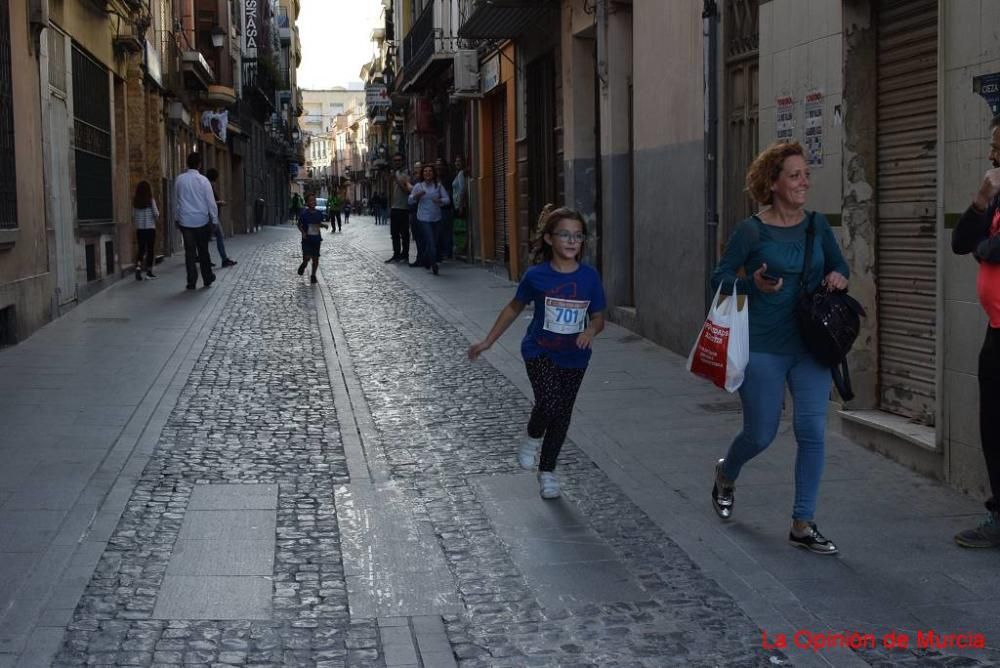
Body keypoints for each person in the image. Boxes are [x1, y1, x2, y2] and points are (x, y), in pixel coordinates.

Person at [708, 140, 849, 555]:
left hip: (811, 344)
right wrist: (752, 284)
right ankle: (726, 474)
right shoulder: (751, 230)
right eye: (795, 175)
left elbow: (839, 264)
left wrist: (840, 277)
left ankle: (802, 523)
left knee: (811, 432)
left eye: (806, 174)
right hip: (764, 344)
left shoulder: (816, 225)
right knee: (761, 433)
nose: (804, 181)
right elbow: (718, 277)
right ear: (773, 183)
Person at [468, 206, 606, 499]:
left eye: (578, 236)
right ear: (548, 239)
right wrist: (488, 341)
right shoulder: (536, 276)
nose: (572, 241)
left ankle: (547, 472)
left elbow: (598, 317)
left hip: (576, 356)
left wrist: (590, 331)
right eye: (564, 234)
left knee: (563, 414)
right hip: (539, 350)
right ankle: (532, 437)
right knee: (549, 402)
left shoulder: (590, 277)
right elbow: (513, 308)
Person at [951, 114, 1000, 548]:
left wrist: (986, 249)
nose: (991, 152)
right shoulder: (997, 197)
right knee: (993, 425)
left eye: (998, 143)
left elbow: (989, 248)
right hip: (996, 331)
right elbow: (962, 241)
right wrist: (982, 200)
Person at [174, 152, 218, 290]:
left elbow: (175, 201)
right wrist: (215, 219)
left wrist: (176, 218)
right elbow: (211, 202)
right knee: (203, 250)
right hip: (201, 220)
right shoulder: (204, 181)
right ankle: (207, 278)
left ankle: (191, 281)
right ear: (199, 164)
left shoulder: (179, 180)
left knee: (190, 252)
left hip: (185, 221)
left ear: (187, 163)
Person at [408, 164, 450, 275]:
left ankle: (427, 260)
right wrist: (417, 195)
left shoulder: (439, 186)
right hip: (423, 218)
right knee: (430, 240)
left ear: (433, 173)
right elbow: (410, 200)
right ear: (422, 174)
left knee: (434, 242)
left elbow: (447, 200)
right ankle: (433, 263)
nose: (428, 173)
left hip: (436, 218)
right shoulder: (419, 186)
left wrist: (440, 201)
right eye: (425, 171)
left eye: (430, 171)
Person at [205, 168, 236, 268]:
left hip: (208, 215)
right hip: (211, 216)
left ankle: (205, 259)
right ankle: (224, 259)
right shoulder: (209, 186)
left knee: (206, 238)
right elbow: (209, 202)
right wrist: (220, 203)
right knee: (219, 235)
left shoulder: (208, 185)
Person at [297, 193, 328, 284]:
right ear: (307, 202)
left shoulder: (319, 213)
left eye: (314, 200)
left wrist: (323, 225)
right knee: (307, 257)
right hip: (307, 239)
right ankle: (303, 265)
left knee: (315, 258)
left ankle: (313, 275)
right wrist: (303, 233)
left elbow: (318, 224)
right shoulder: (304, 213)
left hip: (317, 239)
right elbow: (299, 225)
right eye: (311, 200)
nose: (313, 202)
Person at [386, 154, 412, 263]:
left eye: (399, 160)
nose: (397, 162)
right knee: (394, 233)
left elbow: (407, 190)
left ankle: (405, 255)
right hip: (394, 207)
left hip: (404, 208)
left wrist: (396, 179)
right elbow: (391, 190)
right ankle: (396, 254)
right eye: (395, 160)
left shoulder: (406, 173)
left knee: (404, 233)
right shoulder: (394, 173)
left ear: (403, 161)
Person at [132, 180, 159, 281]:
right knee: (150, 250)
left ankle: (138, 268)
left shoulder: (136, 201)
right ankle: (149, 271)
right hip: (150, 229)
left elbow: (133, 215)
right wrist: (155, 218)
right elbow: (156, 214)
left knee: (141, 249)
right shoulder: (150, 200)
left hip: (140, 229)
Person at [435, 158, 454, 261]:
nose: (438, 167)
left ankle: (447, 252)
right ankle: (441, 251)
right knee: (438, 232)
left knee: (445, 232)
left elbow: (449, 196)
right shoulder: (434, 179)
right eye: (436, 165)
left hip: (445, 209)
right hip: (435, 210)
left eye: (440, 165)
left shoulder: (448, 179)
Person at [408, 161, 424, 266]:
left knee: (423, 235)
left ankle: (424, 257)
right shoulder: (414, 180)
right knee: (417, 236)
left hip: (423, 211)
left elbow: (411, 190)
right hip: (414, 210)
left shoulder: (424, 181)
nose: (417, 169)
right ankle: (420, 257)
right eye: (416, 168)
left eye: (419, 167)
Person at [452, 157, 468, 258]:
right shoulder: (458, 174)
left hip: (459, 204)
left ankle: (461, 247)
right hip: (457, 204)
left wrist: (461, 205)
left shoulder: (461, 173)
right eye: (456, 161)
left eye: (459, 161)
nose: (457, 163)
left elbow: (462, 190)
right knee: (458, 226)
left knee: (460, 227)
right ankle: (459, 247)